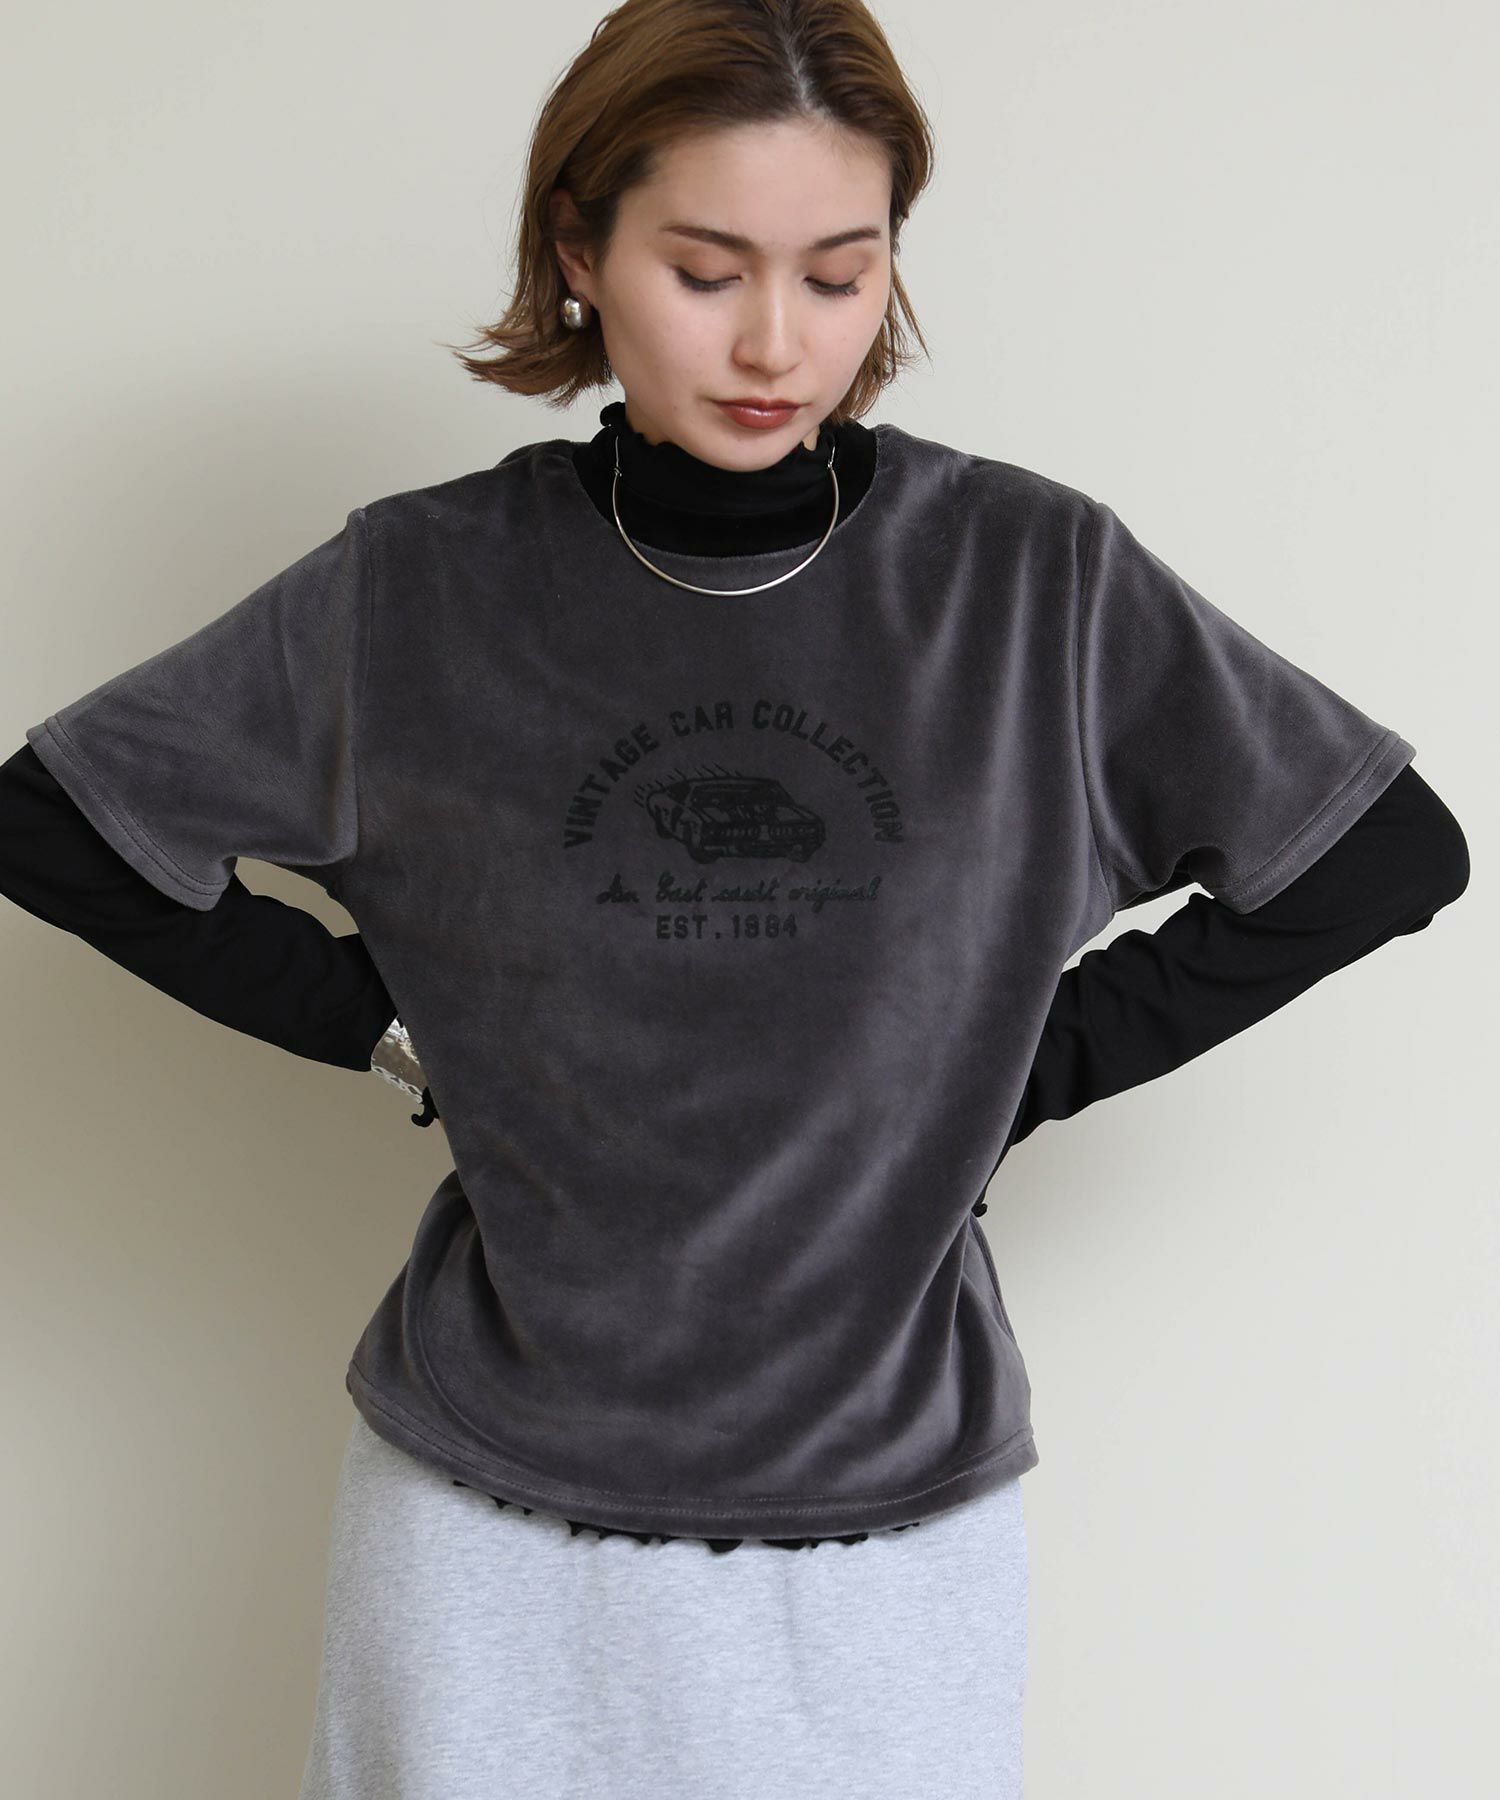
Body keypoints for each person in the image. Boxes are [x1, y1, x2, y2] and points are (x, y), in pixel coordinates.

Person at [0, 1, 1469, 1795]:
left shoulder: (1031, 585)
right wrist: (385, 1023)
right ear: (579, 251)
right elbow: (55, 823)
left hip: (886, 1529)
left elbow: (1389, 850)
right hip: (486, 1517)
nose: (780, 342)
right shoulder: (420, 589)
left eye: (841, 275)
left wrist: (1028, 1063)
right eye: (706, 272)